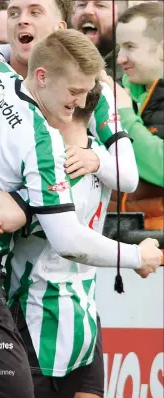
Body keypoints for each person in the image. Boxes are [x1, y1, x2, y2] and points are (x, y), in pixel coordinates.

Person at [0, 23, 162, 398]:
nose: (78, 102)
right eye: (17, 12)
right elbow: (32, 223)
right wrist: (135, 255)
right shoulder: (69, 151)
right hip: (48, 315)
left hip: (28, 313)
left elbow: (6, 214)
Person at [102, 1, 164, 229]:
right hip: (115, 247)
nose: (120, 59)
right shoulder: (119, 92)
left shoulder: (122, 105)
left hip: (158, 253)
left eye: (130, 46)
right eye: (120, 48)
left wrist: (125, 116)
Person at [71, 0, 124, 81]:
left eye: (100, 5)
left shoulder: (131, 72)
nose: (87, 11)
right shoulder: (54, 61)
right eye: (82, 5)